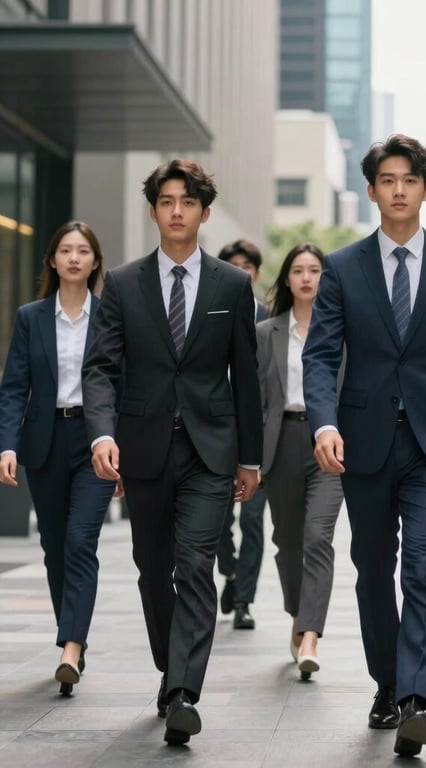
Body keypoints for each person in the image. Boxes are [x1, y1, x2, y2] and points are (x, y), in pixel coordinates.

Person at [302, 134, 426, 758]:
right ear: (373, 189)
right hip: (363, 443)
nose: (400, 189)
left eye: (410, 179)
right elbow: (321, 355)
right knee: (372, 571)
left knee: (424, 567)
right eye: (388, 179)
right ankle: (387, 679)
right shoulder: (342, 266)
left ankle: (415, 699)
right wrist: (323, 423)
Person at [81, 159, 263, 747]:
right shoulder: (125, 283)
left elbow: (246, 377)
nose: (177, 210)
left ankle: (185, 691)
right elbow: (102, 367)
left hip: (211, 451)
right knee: (152, 570)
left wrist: (250, 459)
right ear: (154, 210)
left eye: (188, 201)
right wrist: (103, 434)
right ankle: (171, 662)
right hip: (143, 447)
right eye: (166, 201)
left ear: (204, 213)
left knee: (195, 565)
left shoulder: (232, 286)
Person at [0, 221, 117, 697]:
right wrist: (6, 445)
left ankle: (71, 645)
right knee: (53, 547)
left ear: (94, 261)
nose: (73, 258)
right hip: (45, 439)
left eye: (82, 250)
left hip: (94, 442)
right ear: (52, 260)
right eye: (65, 250)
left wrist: (119, 448)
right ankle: (73, 633)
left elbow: (122, 386)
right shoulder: (31, 317)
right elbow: (13, 388)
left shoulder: (111, 316)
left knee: (79, 540)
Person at [258, 242, 344, 679]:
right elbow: (256, 400)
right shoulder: (266, 333)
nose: (307, 278)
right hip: (281, 443)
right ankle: (298, 612)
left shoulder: (341, 331)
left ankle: (310, 634)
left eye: (315, 270)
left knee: (318, 537)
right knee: (288, 542)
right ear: (287, 279)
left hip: (328, 443)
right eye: (298, 271)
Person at [216, 239, 268, 629]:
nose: (242, 271)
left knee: (253, 519)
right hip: (214, 432)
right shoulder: (210, 311)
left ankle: (245, 600)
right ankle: (230, 573)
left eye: (247, 265)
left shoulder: (268, 318)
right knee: (217, 520)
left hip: (260, 434)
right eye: (234, 265)